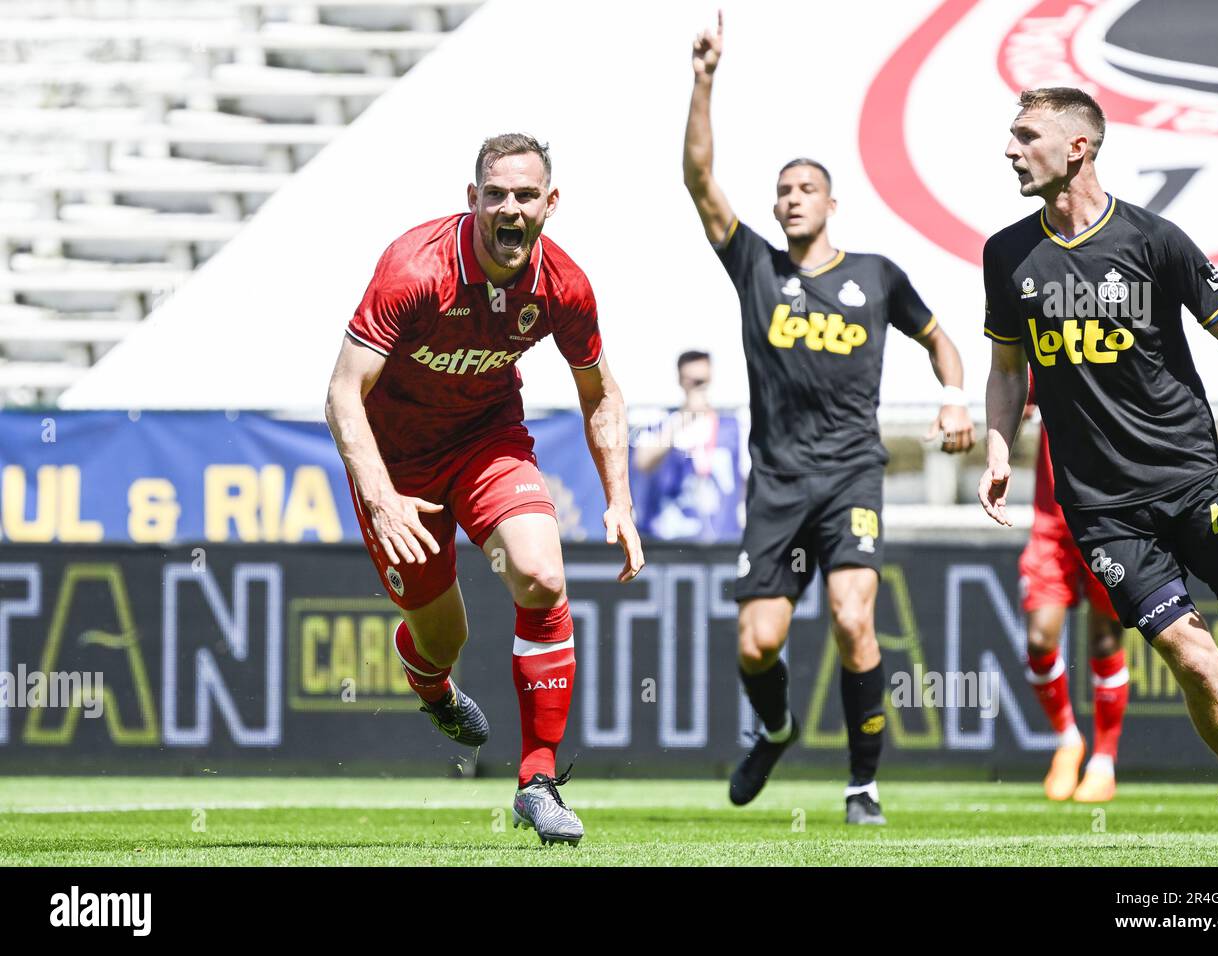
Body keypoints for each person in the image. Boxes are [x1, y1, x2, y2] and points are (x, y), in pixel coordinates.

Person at [980, 87, 1218, 848]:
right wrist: (999, 441)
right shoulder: (1006, 253)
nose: (1010, 150)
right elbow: (1004, 367)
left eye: (1026, 135)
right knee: (1193, 659)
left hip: (1194, 483)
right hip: (1103, 513)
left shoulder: (1155, 241)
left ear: (1078, 148)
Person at [684, 12, 975, 824]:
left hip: (851, 472)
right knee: (758, 644)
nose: (789, 199)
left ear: (832, 203)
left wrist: (955, 396)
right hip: (778, 480)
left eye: (805, 188)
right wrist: (704, 79)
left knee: (853, 618)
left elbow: (942, 340)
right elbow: (701, 181)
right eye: (781, 191)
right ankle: (776, 728)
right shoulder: (754, 267)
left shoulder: (877, 276)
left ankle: (862, 784)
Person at [325, 133, 644, 847]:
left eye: (525, 196)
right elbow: (344, 395)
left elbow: (601, 395)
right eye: (494, 194)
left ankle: (537, 781)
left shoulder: (563, 285)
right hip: (397, 466)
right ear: (472, 200)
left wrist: (619, 499)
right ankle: (430, 680)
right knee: (447, 636)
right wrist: (378, 494)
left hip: (486, 442)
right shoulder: (414, 267)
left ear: (550, 204)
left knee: (539, 574)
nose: (510, 208)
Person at [1019, 379, 1127, 803]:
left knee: (1104, 641)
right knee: (1039, 638)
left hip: (1109, 520)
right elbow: (1014, 391)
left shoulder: (1121, 343)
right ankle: (1068, 738)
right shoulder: (1045, 338)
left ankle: (1104, 761)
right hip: (1051, 524)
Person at [632, 350, 742, 542]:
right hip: (668, 539)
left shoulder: (732, 426)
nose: (697, 388)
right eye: (691, 382)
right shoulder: (663, 423)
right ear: (680, 381)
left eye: (702, 382)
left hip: (721, 539)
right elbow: (642, 462)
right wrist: (683, 417)